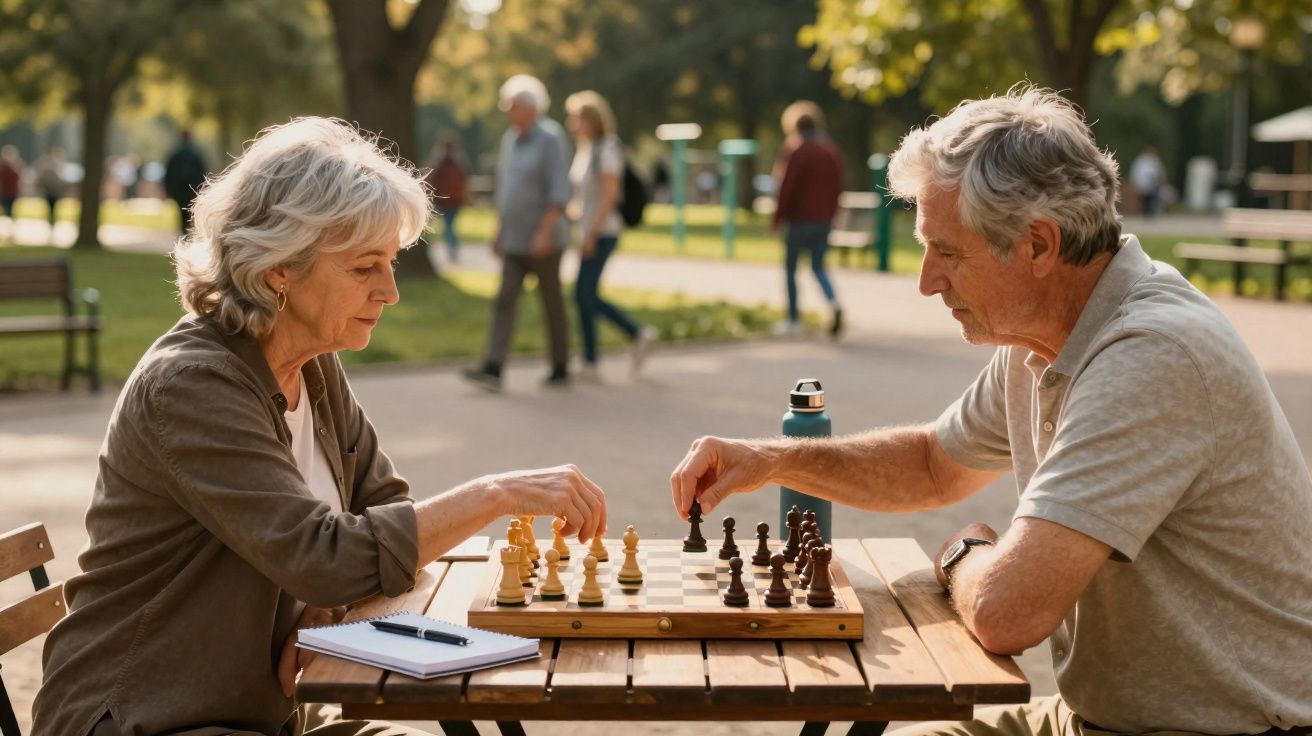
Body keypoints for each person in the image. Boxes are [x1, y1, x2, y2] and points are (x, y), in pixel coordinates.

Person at [668, 87, 1312, 736]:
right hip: (1098, 718)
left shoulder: (1152, 356)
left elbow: (1008, 613)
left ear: (1037, 246)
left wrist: (960, 553)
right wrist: (771, 460)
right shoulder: (1045, 337)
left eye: (947, 253)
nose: (926, 281)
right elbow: (930, 465)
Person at [31, 117, 607, 736]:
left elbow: (381, 506)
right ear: (280, 268)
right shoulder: (192, 386)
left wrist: (323, 611)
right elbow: (328, 554)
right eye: (365, 268)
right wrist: (495, 495)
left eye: (390, 263)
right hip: (141, 716)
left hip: (254, 714)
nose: (390, 291)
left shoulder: (311, 364)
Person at [463, 74, 572, 391]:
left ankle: (561, 364)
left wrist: (545, 232)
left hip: (544, 241)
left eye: (512, 107)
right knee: (504, 300)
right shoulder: (510, 140)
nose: (508, 113)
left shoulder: (550, 139)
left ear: (530, 107)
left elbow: (558, 191)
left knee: (551, 303)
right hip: (514, 238)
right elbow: (507, 190)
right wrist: (499, 229)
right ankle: (493, 367)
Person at [564, 90, 658, 382]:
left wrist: (591, 233)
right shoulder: (586, 149)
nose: (571, 124)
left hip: (603, 232)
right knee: (584, 295)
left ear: (590, 119)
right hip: (590, 229)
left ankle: (632, 335)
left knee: (584, 294)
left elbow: (609, 195)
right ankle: (596, 356)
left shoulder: (606, 149)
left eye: (575, 117)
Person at [771, 101, 845, 337]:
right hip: (823, 220)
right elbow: (837, 186)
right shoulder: (829, 151)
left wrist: (777, 219)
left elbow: (786, 188)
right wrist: (832, 214)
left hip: (799, 220)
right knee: (818, 266)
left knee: (791, 270)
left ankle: (793, 319)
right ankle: (834, 303)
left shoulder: (796, 151)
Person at [424, 135, 468, 262]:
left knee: (444, 225)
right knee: (450, 225)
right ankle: (453, 248)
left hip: (442, 199)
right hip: (455, 199)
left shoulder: (438, 160)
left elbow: (429, 177)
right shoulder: (459, 161)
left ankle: (451, 248)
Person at [164, 129, 208, 233]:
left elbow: (169, 174)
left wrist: (169, 189)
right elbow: (202, 173)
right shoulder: (195, 154)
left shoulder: (175, 154)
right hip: (192, 190)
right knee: (190, 212)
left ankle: (183, 231)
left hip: (179, 190)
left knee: (181, 212)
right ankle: (188, 231)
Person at [1129, 146, 1166, 218]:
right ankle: (1146, 213)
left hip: (1154, 184)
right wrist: (1135, 182)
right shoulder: (1140, 161)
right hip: (1144, 184)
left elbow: (1160, 171)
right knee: (1145, 199)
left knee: (1152, 198)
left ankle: (1151, 212)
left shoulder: (1155, 160)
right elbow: (1136, 173)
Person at [35, 147, 65, 231]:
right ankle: (51, 221)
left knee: (53, 207)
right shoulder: (49, 165)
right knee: (51, 207)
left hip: (54, 191)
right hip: (50, 190)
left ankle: (52, 221)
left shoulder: (57, 164)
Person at [0, 145, 22, 230]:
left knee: (10, 210)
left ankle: (9, 228)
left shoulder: (16, 166)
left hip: (12, 193)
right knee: (6, 210)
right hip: (3, 193)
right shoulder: (3, 167)